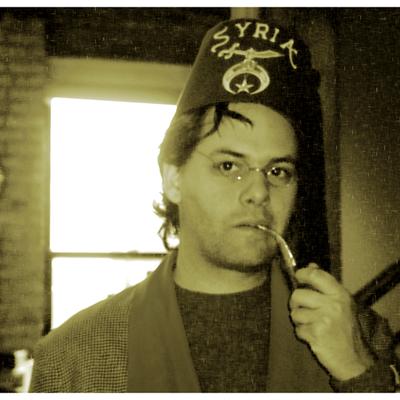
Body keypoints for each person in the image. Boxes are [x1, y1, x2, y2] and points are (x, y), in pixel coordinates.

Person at [30, 18, 400, 392]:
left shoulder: (361, 338)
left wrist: (360, 374)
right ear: (173, 179)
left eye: (278, 171)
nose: (259, 191)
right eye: (229, 166)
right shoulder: (73, 359)